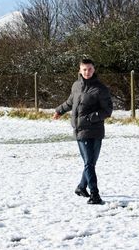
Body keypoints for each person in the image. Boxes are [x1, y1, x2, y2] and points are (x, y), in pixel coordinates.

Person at [53, 59, 113, 204]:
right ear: (80, 70)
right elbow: (69, 103)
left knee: (91, 162)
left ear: (94, 69)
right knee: (89, 163)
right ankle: (95, 195)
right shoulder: (76, 86)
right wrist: (59, 111)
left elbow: (107, 110)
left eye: (90, 69)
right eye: (84, 69)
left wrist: (90, 118)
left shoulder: (100, 89)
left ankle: (81, 187)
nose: (87, 72)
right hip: (81, 131)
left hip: (96, 130)